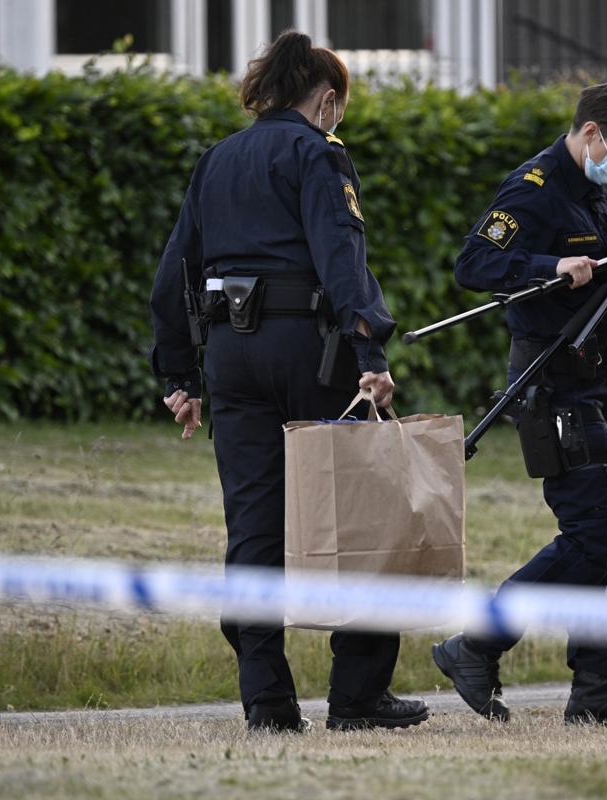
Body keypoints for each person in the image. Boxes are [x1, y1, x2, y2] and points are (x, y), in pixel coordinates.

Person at [147, 30, 428, 734]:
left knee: (252, 526)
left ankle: (267, 702)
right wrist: (370, 351)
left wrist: (180, 373)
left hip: (231, 358)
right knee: (365, 509)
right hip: (309, 347)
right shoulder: (318, 153)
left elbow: (174, 271)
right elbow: (342, 256)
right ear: (327, 99)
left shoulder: (217, 159)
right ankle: (358, 696)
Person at [431, 81, 607, 727]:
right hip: (553, 384)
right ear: (593, 133)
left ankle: (594, 689)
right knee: (592, 532)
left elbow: (605, 262)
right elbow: (475, 263)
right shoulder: (535, 187)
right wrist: (547, 265)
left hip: (598, 380)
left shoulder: (591, 191)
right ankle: (476, 644)